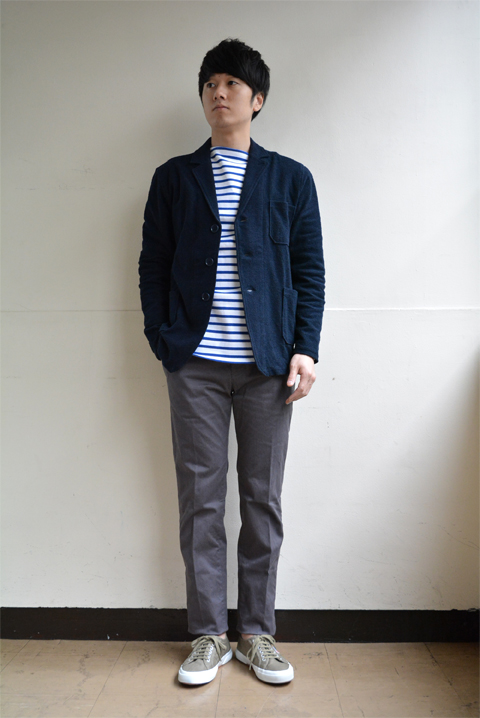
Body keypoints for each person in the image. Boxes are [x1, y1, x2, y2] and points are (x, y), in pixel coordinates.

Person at [139, 38, 325, 686]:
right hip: (193, 363)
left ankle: (257, 634)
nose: (219, 93)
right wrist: (162, 339)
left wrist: (305, 348)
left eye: (232, 84)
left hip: (268, 367)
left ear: (257, 99)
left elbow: (309, 271)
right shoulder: (174, 178)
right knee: (201, 499)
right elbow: (153, 264)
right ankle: (208, 635)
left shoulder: (291, 179)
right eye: (210, 84)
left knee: (261, 499)